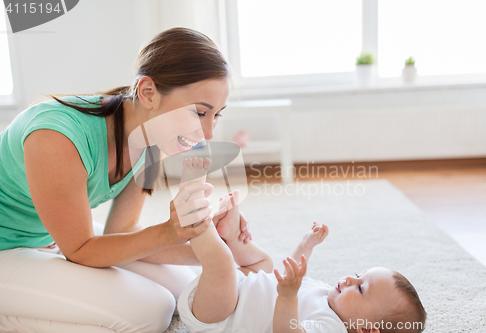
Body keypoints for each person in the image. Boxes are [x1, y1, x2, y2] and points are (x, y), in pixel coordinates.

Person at [0, 27, 251, 333]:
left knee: (183, 288)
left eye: (216, 115)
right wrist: (171, 231)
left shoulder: (148, 138)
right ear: (148, 92)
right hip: (10, 248)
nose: (208, 133)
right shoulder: (54, 138)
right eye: (199, 112)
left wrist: (215, 247)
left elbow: (123, 230)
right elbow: (80, 250)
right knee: (149, 313)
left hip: (49, 236)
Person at [177, 160, 427, 333]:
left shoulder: (332, 326)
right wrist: (306, 245)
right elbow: (292, 273)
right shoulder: (328, 295)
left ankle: (192, 208)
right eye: (359, 275)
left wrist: (287, 296)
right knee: (265, 263)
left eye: (361, 288)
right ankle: (231, 236)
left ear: (365, 329)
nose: (350, 278)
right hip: (238, 288)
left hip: (219, 317)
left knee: (220, 262)